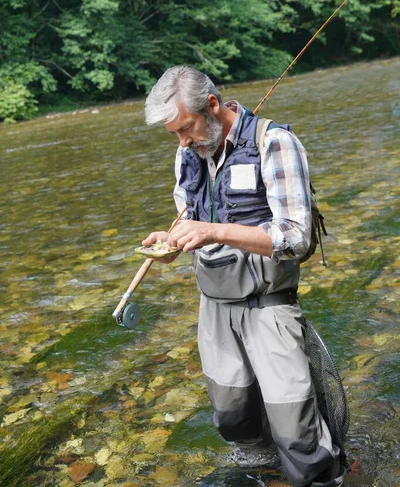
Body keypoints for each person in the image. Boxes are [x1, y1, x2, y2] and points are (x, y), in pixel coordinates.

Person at [142, 66, 347, 487]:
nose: (182, 142)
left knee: (297, 432)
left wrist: (215, 231)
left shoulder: (274, 143)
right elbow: (192, 217)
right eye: (174, 134)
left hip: (269, 306)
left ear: (212, 106)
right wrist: (172, 241)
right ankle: (262, 473)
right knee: (234, 417)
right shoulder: (189, 153)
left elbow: (295, 236)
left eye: (186, 128)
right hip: (213, 308)